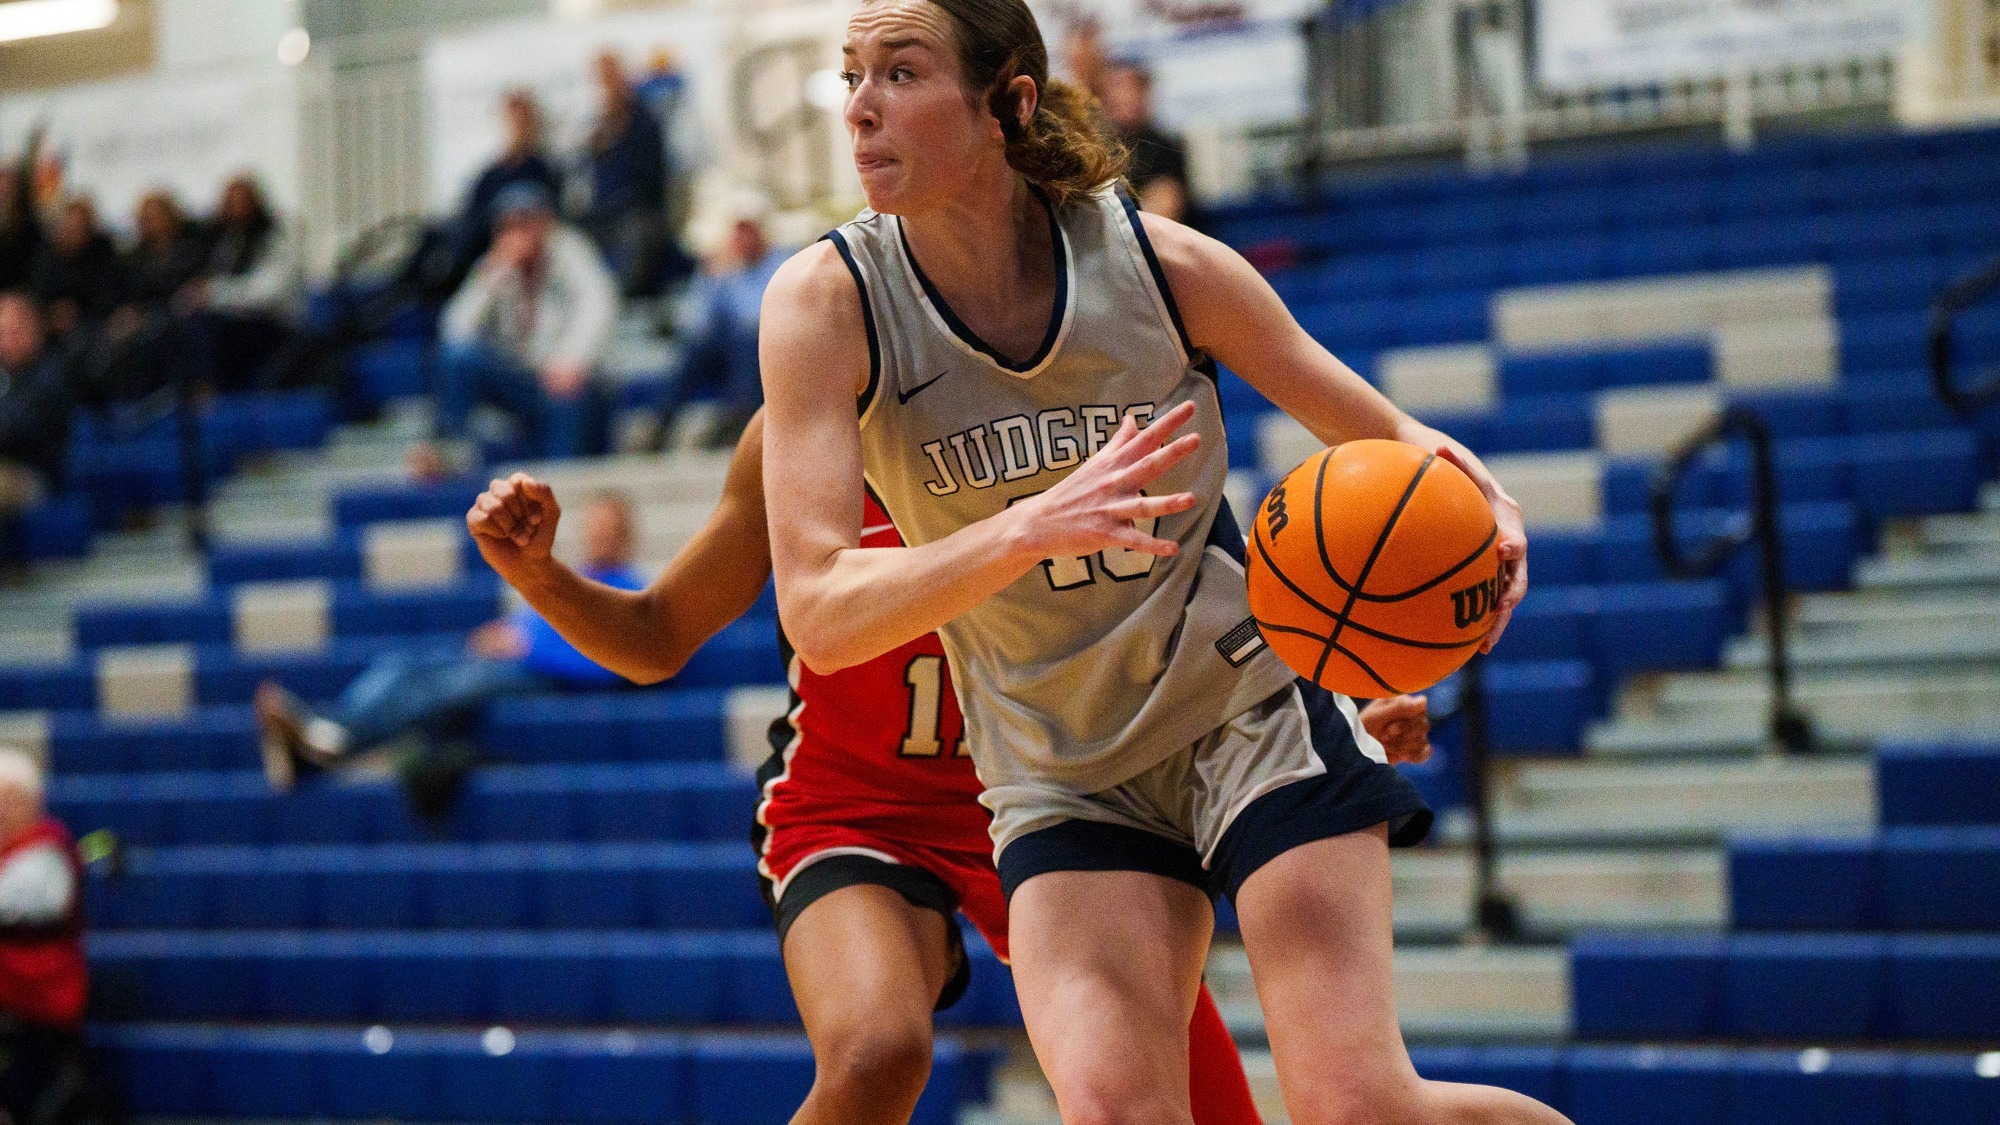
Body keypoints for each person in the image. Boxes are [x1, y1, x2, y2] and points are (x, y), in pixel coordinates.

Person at [756, 3, 1554, 1125]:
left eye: (900, 72)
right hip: (1057, 761)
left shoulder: (1157, 263)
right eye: (851, 77)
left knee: (1360, 1109)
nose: (860, 108)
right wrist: (1023, 530)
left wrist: (1488, 506)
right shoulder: (823, 301)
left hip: (1243, 711)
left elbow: (1388, 434)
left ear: (1006, 103)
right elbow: (819, 610)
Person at [466, 412, 1436, 1125]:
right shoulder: (798, 434)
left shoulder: (1066, 398)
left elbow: (1187, 607)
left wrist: (1335, 711)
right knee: (877, 1051)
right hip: (854, 806)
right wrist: (540, 576)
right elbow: (654, 636)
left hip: (1057, 802)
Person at [254, 492, 644, 799]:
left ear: (626, 534)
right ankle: (329, 730)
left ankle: (334, 741)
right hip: (510, 660)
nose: (600, 534)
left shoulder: (630, 589)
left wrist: (528, 649)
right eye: (596, 525)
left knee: (449, 687)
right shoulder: (570, 577)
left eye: (609, 527)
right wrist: (502, 632)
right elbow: (529, 625)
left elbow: (613, 662)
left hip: (546, 678)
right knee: (403, 665)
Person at [414, 182, 618, 473]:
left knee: (565, 400)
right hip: (523, 378)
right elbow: (455, 329)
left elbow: (599, 303)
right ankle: (453, 451)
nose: (519, 234)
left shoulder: (570, 251)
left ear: (546, 223)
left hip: (573, 377)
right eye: (509, 226)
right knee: (457, 357)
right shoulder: (496, 264)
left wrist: (572, 360)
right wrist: (490, 277)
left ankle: (555, 483)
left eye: (526, 222)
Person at [0, 746, 93, 1125]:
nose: (2, 811)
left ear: (33, 804)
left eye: (11, 801)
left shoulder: (47, 850)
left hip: (39, 988)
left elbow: (28, 903)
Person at [652, 204, 789, 449]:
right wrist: (713, 280)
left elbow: (759, 316)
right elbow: (696, 321)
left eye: (748, 231)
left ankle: (737, 419)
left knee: (745, 340)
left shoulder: (780, 263)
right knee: (697, 348)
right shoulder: (719, 268)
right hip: (725, 350)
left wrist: (732, 279)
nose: (743, 239)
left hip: (765, 346)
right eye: (739, 232)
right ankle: (663, 421)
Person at [181, 175, 300, 393]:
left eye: (242, 201)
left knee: (209, 330)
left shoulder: (275, 238)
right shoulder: (222, 241)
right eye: (230, 202)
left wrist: (214, 293)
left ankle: (214, 395)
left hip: (272, 323)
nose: (236, 208)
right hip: (230, 321)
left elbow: (269, 292)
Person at [581, 51, 669, 294]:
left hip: (637, 211)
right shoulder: (597, 126)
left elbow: (652, 180)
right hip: (603, 214)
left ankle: (622, 294)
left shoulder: (643, 121)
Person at [460, 91, 564, 260]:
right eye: (514, 121)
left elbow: (557, 221)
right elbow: (472, 223)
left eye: (523, 121)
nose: (518, 128)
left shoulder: (548, 172)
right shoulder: (490, 178)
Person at [0, 294, 73, 522]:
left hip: (34, 475)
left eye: (15, 329)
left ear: (35, 329)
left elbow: (15, 428)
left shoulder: (50, 375)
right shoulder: (6, 373)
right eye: (3, 331)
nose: (7, 338)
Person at [1100, 60, 1192, 225]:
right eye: (1116, 87)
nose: (1123, 95)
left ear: (1145, 93)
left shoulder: (1165, 148)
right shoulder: (1099, 149)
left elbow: (1163, 214)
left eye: (1131, 87)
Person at [29, 197, 123, 344]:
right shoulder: (46, 255)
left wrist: (77, 313)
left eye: (78, 226)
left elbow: (107, 297)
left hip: (91, 326)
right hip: (49, 325)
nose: (72, 231)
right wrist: (52, 313)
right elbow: (36, 292)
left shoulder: (102, 256)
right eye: (68, 226)